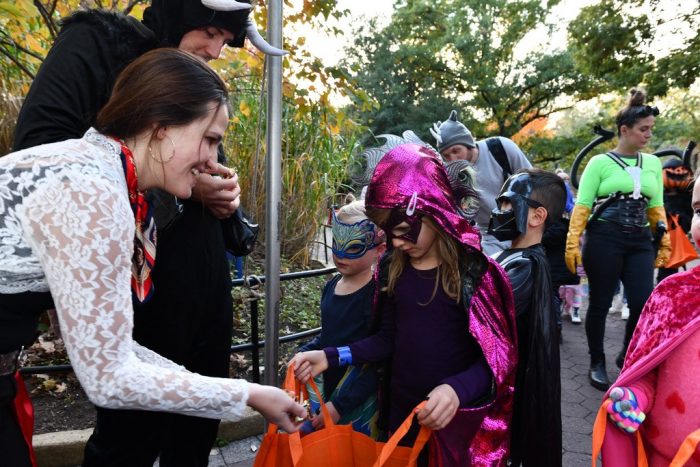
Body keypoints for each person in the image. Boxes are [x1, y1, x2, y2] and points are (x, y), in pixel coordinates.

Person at [0, 48, 306, 467]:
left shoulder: (96, 173)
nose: (213, 161)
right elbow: (109, 377)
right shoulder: (94, 196)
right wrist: (246, 394)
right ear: (161, 127)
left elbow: (111, 347)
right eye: (210, 139)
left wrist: (218, 388)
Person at [293, 141, 518, 465]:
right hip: (399, 419)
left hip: (451, 429)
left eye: (401, 230)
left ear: (432, 209)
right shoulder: (391, 267)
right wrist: (331, 356)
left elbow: (497, 362)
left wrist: (456, 390)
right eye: (388, 232)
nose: (395, 242)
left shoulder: (475, 274)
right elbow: (387, 340)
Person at [565, 89, 671, 391]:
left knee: (641, 301)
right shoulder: (600, 163)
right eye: (643, 129)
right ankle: (596, 361)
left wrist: (663, 241)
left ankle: (627, 353)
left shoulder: (652, 163)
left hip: (639, 240)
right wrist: (573, 242)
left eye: (651, 128)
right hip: (604, 239)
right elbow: (582, 205)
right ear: (624, 130)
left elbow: (656, 206)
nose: (649, 134)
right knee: (598, 303)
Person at [593, 173, 700, 467]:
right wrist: (633, 396)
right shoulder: (672, 295)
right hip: (658, 459)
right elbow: (647, 374)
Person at [490, 169, 565, 467]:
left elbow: (489, 315)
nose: (499, 211)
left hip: (508, 396)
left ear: (536, 216)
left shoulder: (526, 265)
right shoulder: (511, 257)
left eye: (508, 204)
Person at [296, 199, 386, 437]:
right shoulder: (331, 285)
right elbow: (329, 336)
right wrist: (304, 350)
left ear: (380, 249)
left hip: (356, 401)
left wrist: (340, 406)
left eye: (354, 247)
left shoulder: (375, 296)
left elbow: (377, 361)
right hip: (328, 389)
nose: (340, 253)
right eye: (336, 243)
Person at [430, 109, 532, 256]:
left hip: (524, 226)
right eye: (446, 155)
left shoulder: (501, 148)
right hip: (490, 235)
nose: (453, 158)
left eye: (456, 150)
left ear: (468, 143)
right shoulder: (451, 174)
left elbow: (533, 181)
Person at [542, 169, 583, 325]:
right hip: (565, 269)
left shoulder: (558, 225)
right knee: (562, 294)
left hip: (559, 269)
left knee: (556, 297)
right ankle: (561, 319)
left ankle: (556, 326)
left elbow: (547, 240)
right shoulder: (568, 223)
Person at [656, 157, 695, 283]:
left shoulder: (688, 196)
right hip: (658, 233)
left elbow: (690, 216)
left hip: (675, 235)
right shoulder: (659, 194)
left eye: (681, 171)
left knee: (668, 268)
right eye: (672, 172)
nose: (677, 174)